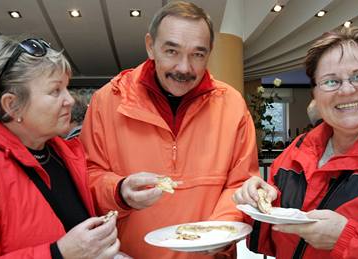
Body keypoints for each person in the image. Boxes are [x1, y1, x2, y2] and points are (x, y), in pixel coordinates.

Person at [80, 1, 258, 258]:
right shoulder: (107, 101)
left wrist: (217, 235)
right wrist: (119, 191)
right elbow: (88, 175)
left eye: (198, 54)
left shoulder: (232, 104)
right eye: (172, 51)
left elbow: (240, 183)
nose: (184, 68)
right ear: (150, 46)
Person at [233, 26, 358, 258]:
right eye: (331, 81)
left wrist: (349, 238)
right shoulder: (297, 150)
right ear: (316, 94)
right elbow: (273, 240)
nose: (347, 90)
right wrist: (255, 203)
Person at [0, 35, 121, 258]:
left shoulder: (61, 152)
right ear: (12, 105)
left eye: (66, 88)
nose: (70, 100)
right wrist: (58, 254)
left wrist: (122, 191)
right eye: (55, 91)